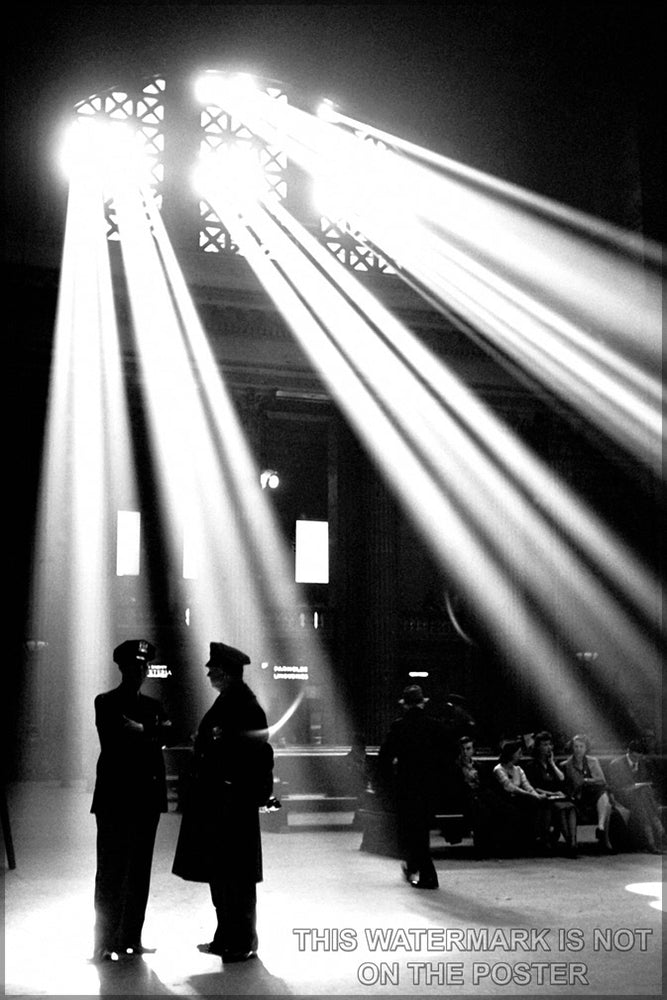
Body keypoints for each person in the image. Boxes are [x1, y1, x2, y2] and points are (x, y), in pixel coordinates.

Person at [172, 641, 273, 962]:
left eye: (214, 670)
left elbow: (256, 753)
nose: (209, 674)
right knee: (222, 874)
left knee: (236, 877)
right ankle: (226, 936)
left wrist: (225, 771)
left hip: (233, 803)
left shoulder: (245, 706)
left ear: (228, 673)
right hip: (219, 802)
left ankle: (242, 941)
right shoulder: (230, 701)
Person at [90, 639, 173, 963]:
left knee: (139, 872)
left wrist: (138, 729)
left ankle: (131, 938)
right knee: (111, 872)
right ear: (122, 669)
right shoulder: (106, 702)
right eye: (133, 667)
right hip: (117, 799)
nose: (139, 671)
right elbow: (114, 738)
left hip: (144, 800)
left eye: (143, 667)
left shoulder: (150, 706)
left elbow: (168, 734)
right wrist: (150, 733)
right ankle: (104, 941)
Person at [378, 684, 450, 889]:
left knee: (411, 831)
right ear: (422, 703)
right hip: (429, 787)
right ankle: (413, 866)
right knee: (421, 831)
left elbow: (385, 758)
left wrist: (386, 784)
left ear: (405, 705)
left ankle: (428, 875)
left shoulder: (399, 726)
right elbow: (449, 754)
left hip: (407, 787)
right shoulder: (435, 726)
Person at [491, 739, 551, 853]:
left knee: (542, 803)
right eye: (519, 753)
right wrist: (530, 795)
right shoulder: (499, 769)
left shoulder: (518, 769)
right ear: (511, 754)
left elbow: (527, 785)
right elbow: (509, 787)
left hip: (520, 798)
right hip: (505, 799)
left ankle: (542, 837)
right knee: (519, 808)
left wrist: (536, 795)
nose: (521, 756)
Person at [526, 731, 578, 857]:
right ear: (538, 747)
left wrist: (552, 764)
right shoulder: (532, 765)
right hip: (544, 799)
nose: (548, 747)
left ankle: (573, 843)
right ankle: (570, 843)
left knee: (570, 807)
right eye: (545, 745)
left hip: (557, 797)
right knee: (560, 809)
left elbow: (561, 779)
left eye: (550, 744)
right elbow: (534, 787)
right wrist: (551, 793)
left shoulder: (551, 765)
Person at [608, 740, 665, 853]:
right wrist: (631, 788)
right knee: (643, 796)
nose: (636, 760)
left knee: (642, 797)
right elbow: (614, 786)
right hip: (623, 796)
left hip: (640, 798)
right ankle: (659, 830)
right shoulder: (616, 764)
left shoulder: (644, 763)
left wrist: (639, 787)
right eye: (634, 757)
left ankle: (651, 842)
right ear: (628, 752)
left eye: (639, 757)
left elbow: (649, 781)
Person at [562, 734, 614, 851]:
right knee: (602, 795)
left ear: (586, 748)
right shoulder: (567, 765)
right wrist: (584, 782)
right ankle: (598, 832)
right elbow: (573, 785)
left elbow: (602, 780)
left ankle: (601, 829)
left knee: (603, 796)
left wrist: (587, 780)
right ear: (572, 748)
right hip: (579, 795)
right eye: (576, 746)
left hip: (594, 792)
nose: (578, 749)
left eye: (581, 747)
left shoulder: (593, 761)